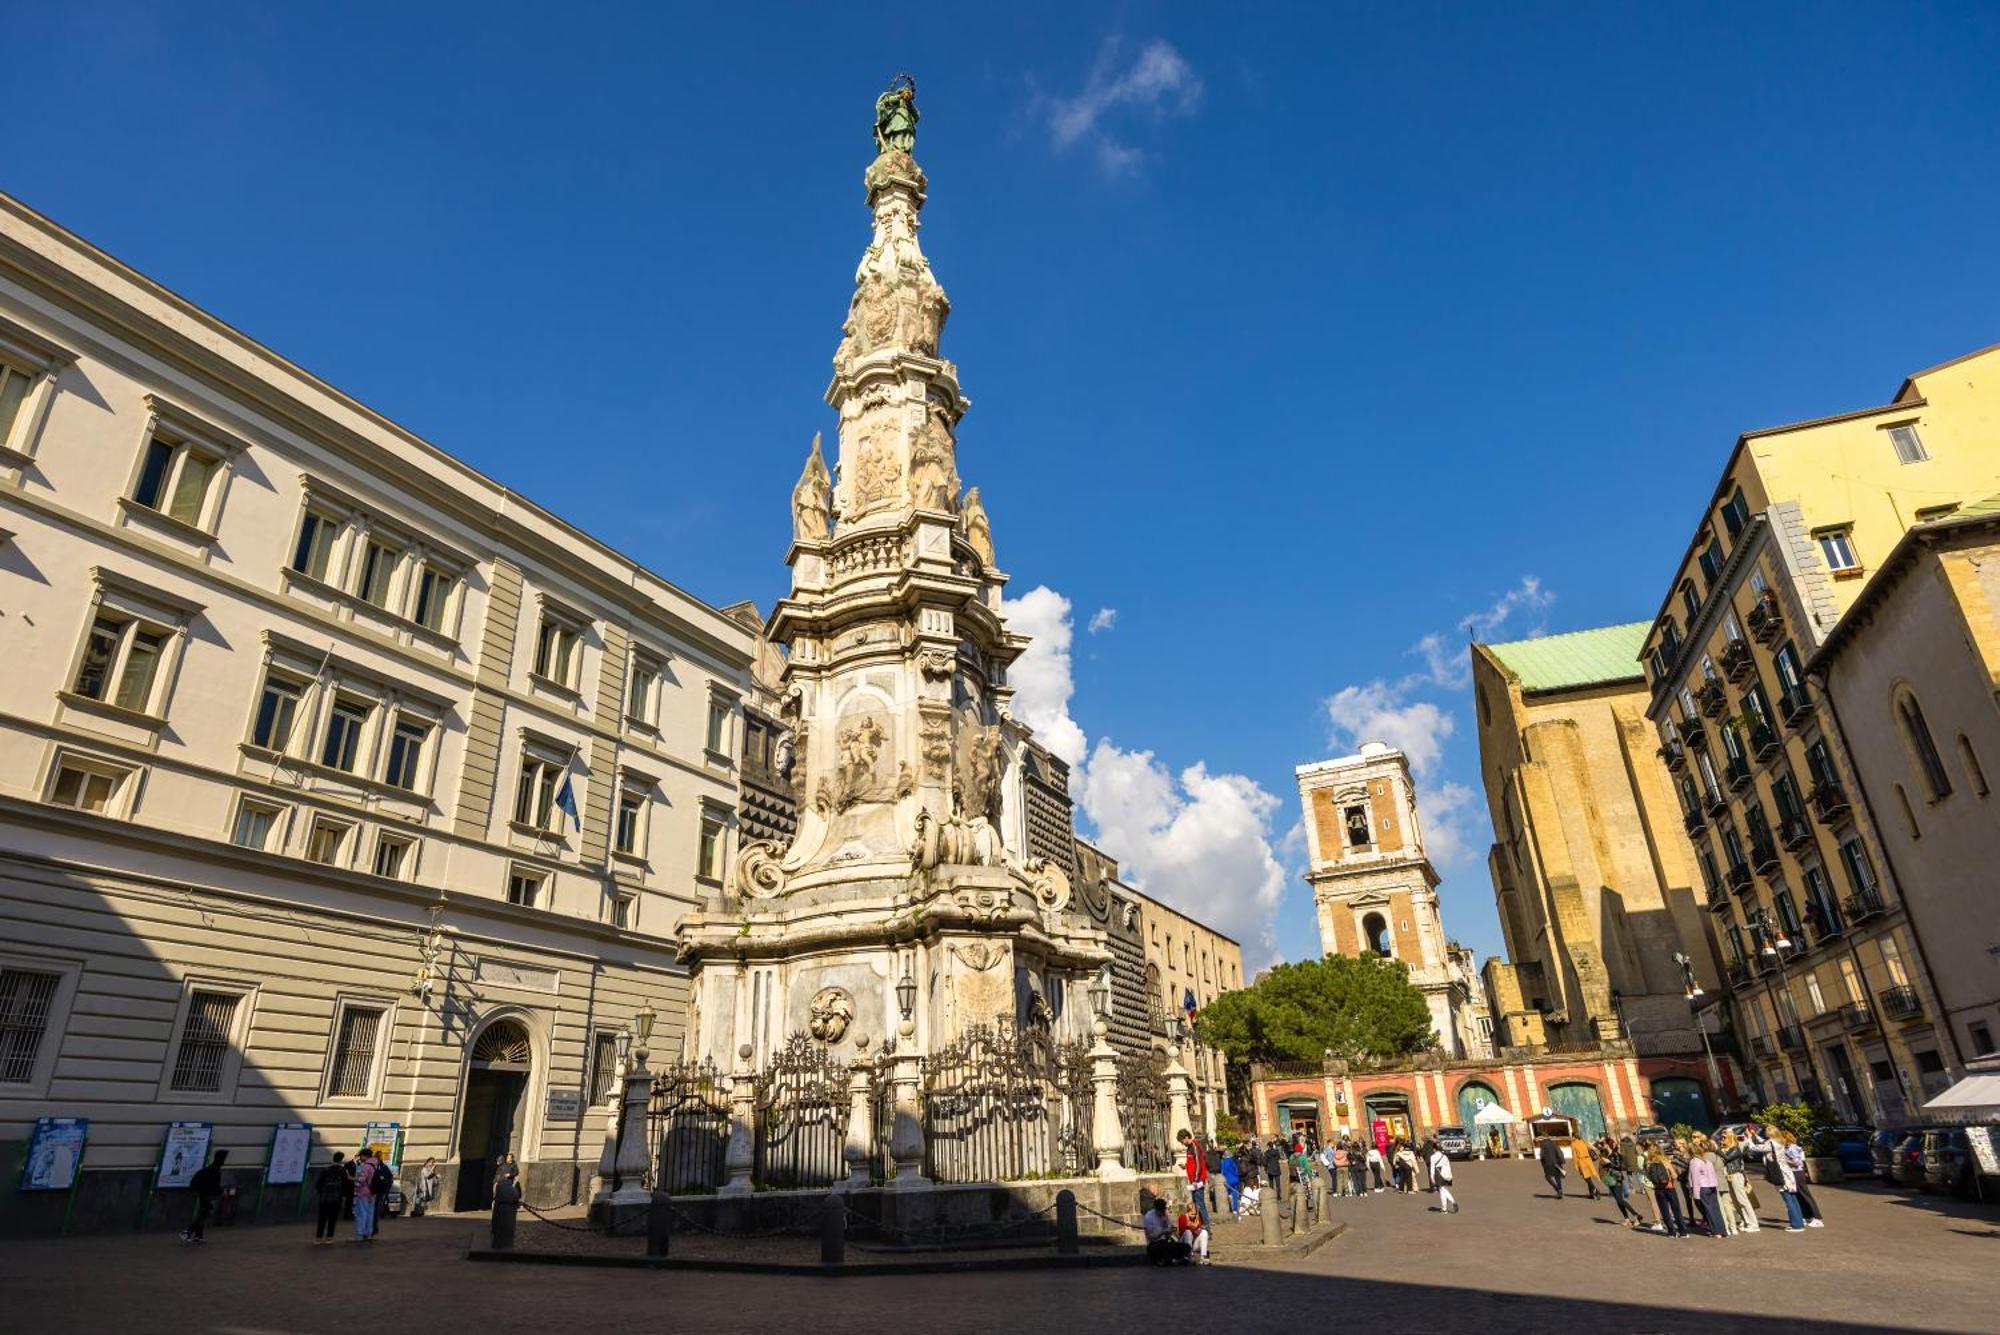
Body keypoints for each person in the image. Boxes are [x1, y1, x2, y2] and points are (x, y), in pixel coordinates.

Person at [180, 1150, 227, 1244]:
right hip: (204, 1192)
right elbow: (214, 1184)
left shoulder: (212, 1168)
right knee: (205, 1213)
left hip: (202, 1191)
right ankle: (187, 1232)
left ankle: (198, 1236)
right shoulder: (215, 1170)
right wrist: (221, 1192)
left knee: (204, 1212)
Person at [1718, 1131, 1760, 1233]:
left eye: (1724, 1138)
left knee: (1743, 1200)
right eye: (1722, 1138)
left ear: (1730, 1138)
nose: (1722, 1139)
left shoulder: (1735, 1149)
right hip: (1728, 1176)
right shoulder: (1723, 1149)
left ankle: (1754, 1224)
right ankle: (1746, 1222)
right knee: (1735, 1202)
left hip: (1736, 1175)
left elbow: (1727, 1158)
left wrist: (1717, 1150)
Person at [1766, 1129, 1808, 1232]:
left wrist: (1749, 1139)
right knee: (1793, 1199)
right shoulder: (1782, 1146)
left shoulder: (1776, 1146)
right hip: (1790, 1176)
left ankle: (1796, 1225)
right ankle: (1799, 1222)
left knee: (1789, 1200)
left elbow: (1798, 1162)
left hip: (1784, 1176)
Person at [1782, 1133, 1826, 1228]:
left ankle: (1817, 1218)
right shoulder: (1789, 1148)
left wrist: (1784, 1160)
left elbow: (1797, 1163)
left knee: (1805, 1194)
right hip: (1794, 1173)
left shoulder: (1792, 1148)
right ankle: (1806, 1216)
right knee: (1799, 1195)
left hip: (1797, 1173)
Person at [1687, 1137, 1727, 1237]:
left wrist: (1696, 1194)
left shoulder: (1694, 1162)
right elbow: (1713, 1175)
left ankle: (1716, 1231)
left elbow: (1695, 1179)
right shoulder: (1706, 1161)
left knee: (1708, 1211)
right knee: (1715, 1209)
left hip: (1703, 1188)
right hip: (1712, 1187)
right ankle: (1722, 1230)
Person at [1645, 1146, 1687, 1237]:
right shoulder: (1665, 1162)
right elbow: (1675, 1175)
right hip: (1669, 1187)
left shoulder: (1649, 1164)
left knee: (1664, 1211)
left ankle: (1671, 1232)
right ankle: (1683, 1232)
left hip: (1658, 1189)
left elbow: (1649, 1177)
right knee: (1676, 1210)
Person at [1619, 1134, 1657, 1228]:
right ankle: (1642, 1189)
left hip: (1629, 1163)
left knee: (1629, 1176)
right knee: (1638, 1176)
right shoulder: (1633, 1145)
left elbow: (1623, 1154)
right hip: (1636, 1163)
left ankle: (1632, 1188)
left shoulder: (1623, 1145)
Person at [1178, 1130, 1211, 1230]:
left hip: (1198, 1181)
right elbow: (1193, 1163)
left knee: (1200, 1204)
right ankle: (1200, 1225)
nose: (1182, 1143)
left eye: (1182, 1140)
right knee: (1196, 1204)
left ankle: (1206, 1227)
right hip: (1194, 1181)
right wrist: (1185, 1166)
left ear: (1186, 1137)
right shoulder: (1189, 1148)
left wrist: (1196, 1180)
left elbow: (1198, 1164)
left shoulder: (1194, 1146)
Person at [1142, 1198, 1192, 1265]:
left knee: (1186, 1247)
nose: (1163, 1212)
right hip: (1154, 1244)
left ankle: (1173, 1260)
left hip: (1166, 1242)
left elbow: (1170, 1232)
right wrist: (1162, 1232)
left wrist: (1170, 1229)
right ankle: (1173, 1260)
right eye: (1161, 1211)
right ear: (1156, 1209)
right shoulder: (1148, 1217)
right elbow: (1151, 1238)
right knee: (1161, 1247)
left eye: (1164, 1210)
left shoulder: (1165, 1215)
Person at [1602, 1146, 1643, 1228]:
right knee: (1618, 1200)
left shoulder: (1616, 1155)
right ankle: (1627, 1219)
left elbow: (1619, 1167)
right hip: (1611, 1179)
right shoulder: (1609, 1155)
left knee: (1620, 1199)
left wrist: (1609, 1163)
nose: (1604, 1146)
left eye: (1606, 1145)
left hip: (1617, 1179)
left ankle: (1636, 1215)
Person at [313, 1153, 347, 1244]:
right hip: (336, 1198)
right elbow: (345, 1185)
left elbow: (318, 1184)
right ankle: (329, 1237)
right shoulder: (342, 1171)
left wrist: (322, 1193)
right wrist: (343, 1197)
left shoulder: (325, 1170)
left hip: (324, 1198)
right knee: (333, 1218)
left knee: (322, 1218)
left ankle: (318, 1238)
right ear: (341, 1160)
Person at [350, 1148, 379, 1241]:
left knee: (361, 1213)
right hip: (373, 1192)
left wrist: (354, 1180)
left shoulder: (366, 1166)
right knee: (370, 1213)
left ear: (365, 1156)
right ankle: (368, 1233)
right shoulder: (376, 1164)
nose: (360, 1158)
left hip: (363, 1192)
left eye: (361, 1156)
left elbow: (362, 1179)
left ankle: (360, 1234)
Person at [1428, 1142, 1458, 1214]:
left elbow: (1432, 1168)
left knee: (1442, 1190)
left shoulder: (1432, 1157)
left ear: (1434, 1149)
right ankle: (1444, 1208)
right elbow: (1448, 1166)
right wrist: (1450, 1176)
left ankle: (1452, 1202)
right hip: (1445, 1174)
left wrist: (1432, 1177)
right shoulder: (1445, 1156)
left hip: (1438, 1175)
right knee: (1443, 1190)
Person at [1571, 1134, 1602, 1200]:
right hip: (1588, 1161)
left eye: (1572, 1137)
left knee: (1587, 1178)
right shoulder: (1583, 1141)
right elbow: (1591, 1148)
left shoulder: (1573, 1144)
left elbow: (1574, 1156)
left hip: (1582, 1162)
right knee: (1589, 1177)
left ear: (1574, 1137)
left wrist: (1576, 1165)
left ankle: (1595, 1191)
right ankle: (1591, 1194)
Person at [1536, 1135, 1567, 1200]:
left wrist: (1543, 1164)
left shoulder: (1543, 1145)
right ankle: (1560, 1189)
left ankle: (1557, 1189)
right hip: (1557, 1163)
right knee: (1557, 1177)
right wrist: (1562, 1161)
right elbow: (1559, 1153)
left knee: (1548, 1177)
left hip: (1548, 1164)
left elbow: (1542, 1156)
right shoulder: (1554, 1143)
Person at [1219, 1144, 1242, 1218]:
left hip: (1228, 1180)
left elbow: (1223, 1172)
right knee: (1235, 1195)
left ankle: (1230, 1208)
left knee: (1228, 1195)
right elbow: (1236, 1170)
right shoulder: (1232, 1161)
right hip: (1235, 1179)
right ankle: (1235, 1209)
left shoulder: (1223, 1162)